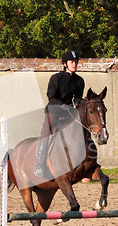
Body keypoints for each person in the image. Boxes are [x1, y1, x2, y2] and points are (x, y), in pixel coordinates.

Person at [34, 50, 85, 178]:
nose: (74, 64)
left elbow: (77, 98)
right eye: (71, 62)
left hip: (69, 112)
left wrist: (79, 105)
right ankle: (39, 164)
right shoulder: (56, 78)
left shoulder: (79, 81)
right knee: (46, 132)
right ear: (65, 64)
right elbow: (51, 96)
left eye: (75, 62)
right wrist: (62, 105)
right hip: (54, 110)